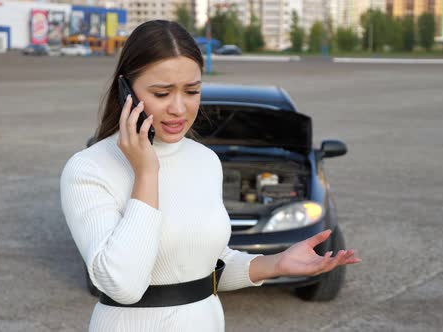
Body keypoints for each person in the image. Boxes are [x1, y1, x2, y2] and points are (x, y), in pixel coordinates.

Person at [60, 20, 361, 332]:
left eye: (192, 91)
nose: (180, 108)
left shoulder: (205, 160)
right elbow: (122, 284)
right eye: (162, 93)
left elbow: (207, 264)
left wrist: (277, 263)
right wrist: (146, 173)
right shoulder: (89, 169)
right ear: (126, 91)